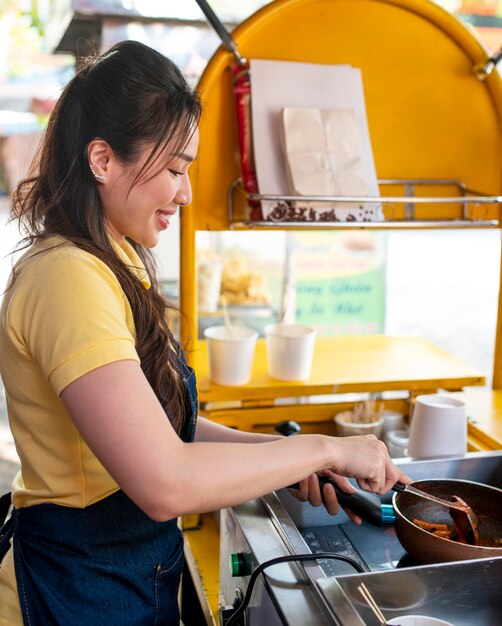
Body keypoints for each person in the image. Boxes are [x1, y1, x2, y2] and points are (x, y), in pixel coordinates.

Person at [0, 40, 410, 625]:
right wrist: (323, 446)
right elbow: (164, 480)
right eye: (173, 169)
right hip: (71, 590)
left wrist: (287, 457)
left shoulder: (116, 255)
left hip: (125, 579)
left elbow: (166, 428)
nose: (186, 193)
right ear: (102, 160)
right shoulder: (67, 278)